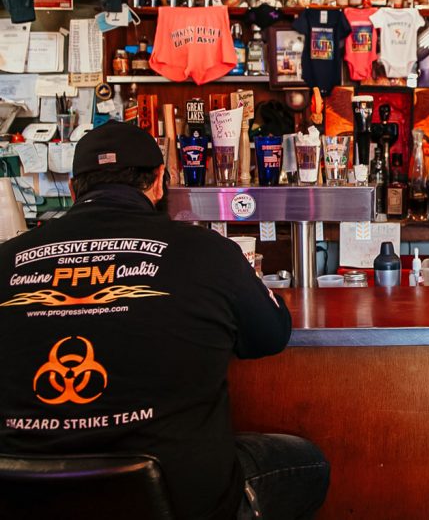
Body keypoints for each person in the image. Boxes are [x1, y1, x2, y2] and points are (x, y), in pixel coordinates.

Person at [0, 122, 329, 520]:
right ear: (159, 182)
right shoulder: (209, 253)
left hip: (26, 496)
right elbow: (270, 335)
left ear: (74, 189)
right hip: (178, 501)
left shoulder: (6, 259)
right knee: (307, 462)